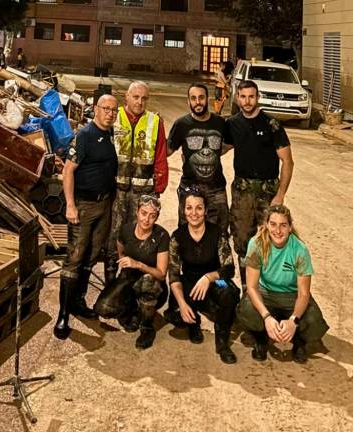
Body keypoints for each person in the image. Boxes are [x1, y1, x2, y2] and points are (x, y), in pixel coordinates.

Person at [165, 83, 231, 325]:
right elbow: (166, 151)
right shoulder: (182, 124)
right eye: (193, 98)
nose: (197, 101)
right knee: (186, 240)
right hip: (190, 190)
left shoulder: (220, 124)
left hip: (216, 190)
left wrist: (213, 153)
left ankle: (218, 285)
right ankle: (184, 294)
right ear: (189, 101)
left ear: (207, 99)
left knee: (220, 237)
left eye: (201, 97)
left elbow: (230, 142)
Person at [54, 94, 119, 340]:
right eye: (106, 109)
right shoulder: (84, 135)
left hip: (105, 205)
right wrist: (70, 205)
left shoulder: (113, 136)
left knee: (91, 256)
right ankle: (63, 315)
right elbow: (68, 171)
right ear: (95, 109)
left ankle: (79, 302)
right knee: (74, 257)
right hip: (84, 205)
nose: (110, 114)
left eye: (114, 110)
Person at [237, 205, 329, 363]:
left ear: (290, 227)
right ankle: (261, 338)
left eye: (283, 225)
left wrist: (294, 320)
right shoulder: (256, 244)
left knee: (313, 321)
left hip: (292, 296)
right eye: (273, 224)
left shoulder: (299, 250)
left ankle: (298, 341)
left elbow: (304, 293)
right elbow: (251, 287)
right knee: (246, 310)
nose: (278, 231)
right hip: (265, 293)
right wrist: (266, 317)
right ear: (266, 224)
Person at [226, 80, 294, 291]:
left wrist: (280, 195)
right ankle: (248, 290)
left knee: (274, 240)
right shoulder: (232, 124)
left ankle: (272, 288)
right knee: (242, 242)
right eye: (243, 97)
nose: (247, 101)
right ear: (238, 98)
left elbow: (287, 161)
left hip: (268, 193)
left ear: (258, 98)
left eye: (251, 96)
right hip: (242, 192)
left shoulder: (271, 125)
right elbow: (222, 147)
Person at [105, 81, 169, 287]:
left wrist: (158, 189)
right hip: (116, 191)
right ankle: (110, 285)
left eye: (144, 98)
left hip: (143, 193)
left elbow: (160, 156)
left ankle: (134, 284)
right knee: (113, 238)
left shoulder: (155, 122)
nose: (140, 102)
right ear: (127, 97)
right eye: (136, 97)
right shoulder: (114, 118)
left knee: (139, 241)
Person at [168, 188, 240, 364]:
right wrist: (183, 304)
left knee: (230, 291)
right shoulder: (177, 237)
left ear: (206, 210)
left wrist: (209, 277)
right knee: (175, 314)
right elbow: (174, 276)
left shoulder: (217, 233)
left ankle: (222, 342)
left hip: (216, 280)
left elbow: (229, 269)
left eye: (199, 208)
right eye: (189, 208)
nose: (194, 213)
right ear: (184, 210)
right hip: (190, 282)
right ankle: (194, 324)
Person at [93, 195, 169, 349]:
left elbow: (161, 273)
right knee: (103, 308)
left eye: (152, 216)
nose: (146, 219)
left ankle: (147, 327)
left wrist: (139, 265)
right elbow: (120, 251)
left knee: (148, 280)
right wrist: (126, 267)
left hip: (153, 287)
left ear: (157, 218)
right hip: (129, 278)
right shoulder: (126, 229)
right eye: (143, 213)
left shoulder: (161, 236)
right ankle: (131, 312)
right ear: (137, 212)